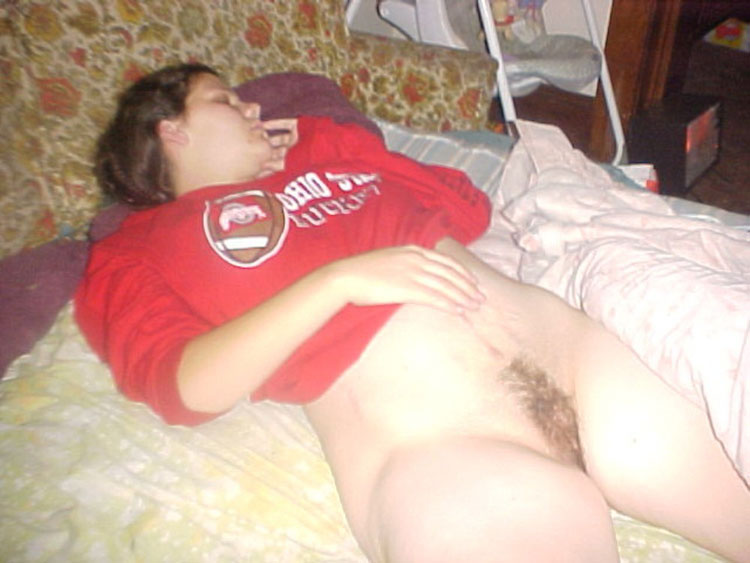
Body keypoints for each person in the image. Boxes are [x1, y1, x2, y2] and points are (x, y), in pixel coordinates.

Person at [75, 63, 750, 562]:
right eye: (225, 100)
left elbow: (464, 207)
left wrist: (328, 145)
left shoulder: (321, 157)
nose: (253, 107)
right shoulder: (131, 250)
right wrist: (339, 282)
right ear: (170, 129)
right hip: (445, 452)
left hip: (578, 362)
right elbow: (186, 388)